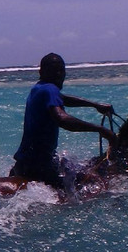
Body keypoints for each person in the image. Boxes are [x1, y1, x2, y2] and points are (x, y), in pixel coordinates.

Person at [10, 52, 117, 188]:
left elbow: (63, 99)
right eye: (54, 71)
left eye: (61, 70)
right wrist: (100, 129)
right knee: (85, 187)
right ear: (41, 72)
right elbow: (62, 119)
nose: (59, 74)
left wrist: (95, 105)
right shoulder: (50, 89)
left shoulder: (39, 88)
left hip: (24, 162)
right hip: (40, 165)